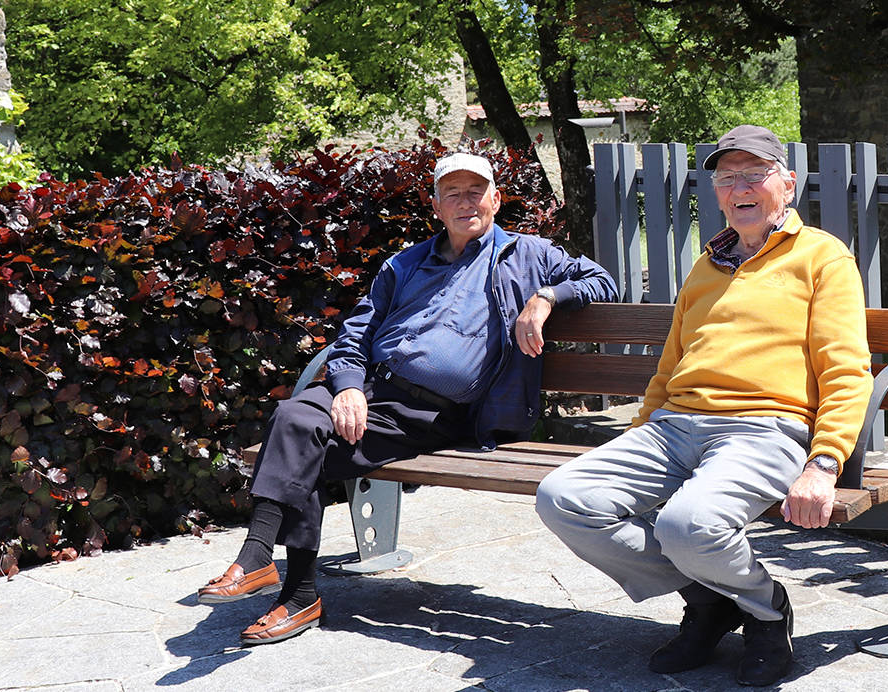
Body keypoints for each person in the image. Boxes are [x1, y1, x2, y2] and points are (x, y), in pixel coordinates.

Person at [196, 152, 617, 645]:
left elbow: (602, 280)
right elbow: (355, 332)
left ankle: (280, 580)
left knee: (295, 445)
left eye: (476, 191)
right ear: (435, 206)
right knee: (295, 424)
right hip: (375, 389)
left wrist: (544, 299)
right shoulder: (405, 263)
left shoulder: (529, 254)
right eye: (453, 194)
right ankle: (278, 578)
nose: (467, 202)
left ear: (496, 199)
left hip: (436, 413)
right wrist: (349, 384)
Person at [535, 125, 872, 686]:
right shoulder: (706, 266)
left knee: (688, 525)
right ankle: (711, 597)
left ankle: (765, 610)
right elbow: (670, 366)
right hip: (673, 427)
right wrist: (641, 430)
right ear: (716, 192)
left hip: (763, 431)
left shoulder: (822, 257)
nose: (740, 187)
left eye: (755, 174)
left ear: (786, 184)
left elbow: (845, 367)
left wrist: (824, 462)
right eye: (726, 177)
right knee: (564, 497)